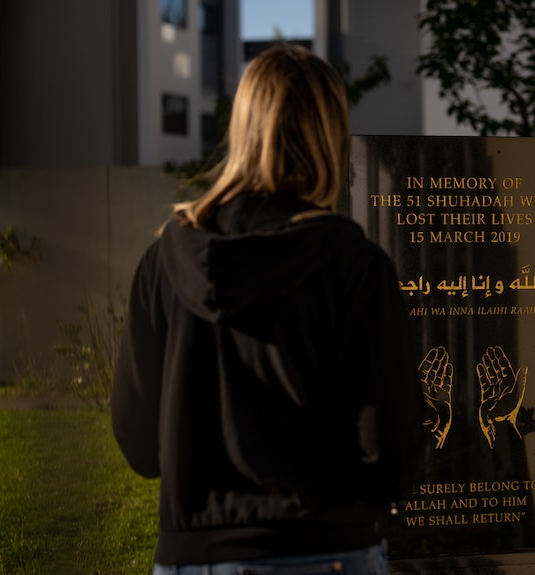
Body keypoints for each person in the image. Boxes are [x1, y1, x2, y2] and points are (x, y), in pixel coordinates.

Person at [111, 42, 425, 575]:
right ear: (331, 136)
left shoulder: (164, 261)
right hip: (329, 553)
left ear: (243, 128)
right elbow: (388, 456)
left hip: (194, 559)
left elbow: (139, 446)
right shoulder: (356, 267)